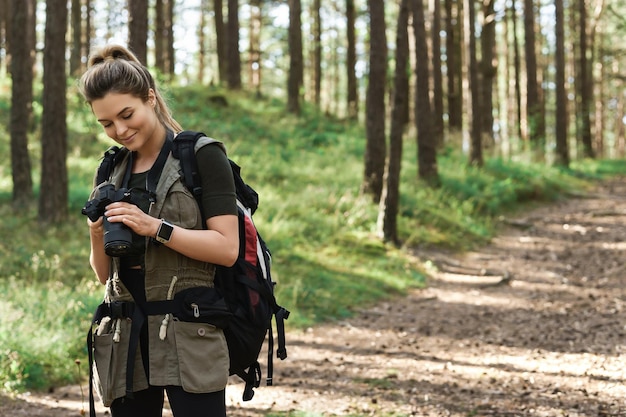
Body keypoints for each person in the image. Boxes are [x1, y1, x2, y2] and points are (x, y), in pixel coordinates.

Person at [79, 44, 239, 417]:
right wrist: (96, 231)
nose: (119, 130)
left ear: (150, 97)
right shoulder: (109, 171)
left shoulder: (201, 156)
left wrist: (155, 228)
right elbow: (104, 274)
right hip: (123, 337)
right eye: (106, 124)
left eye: (126, 114)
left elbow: (227, 248)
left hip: (189, 331)